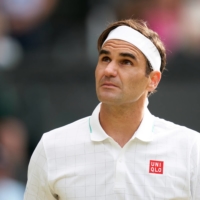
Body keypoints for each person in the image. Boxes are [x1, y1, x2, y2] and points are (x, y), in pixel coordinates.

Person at [24, 19, 200, 200]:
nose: (109, 70)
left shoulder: (190, 148)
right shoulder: (51, 147)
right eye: (105, 59)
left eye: (126, 62)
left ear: (153, 80)